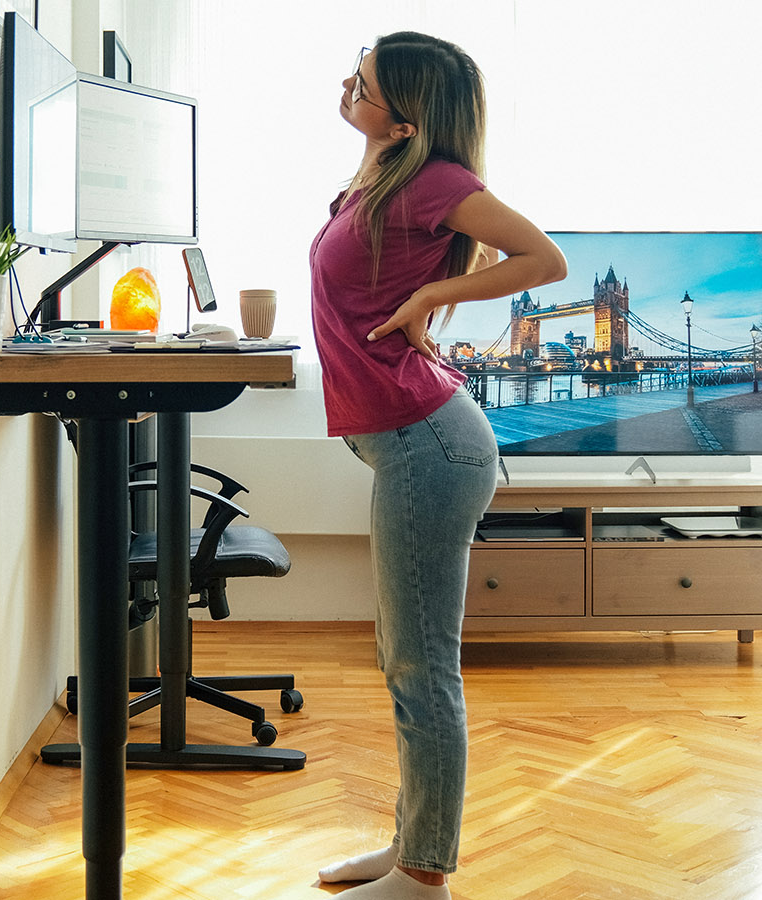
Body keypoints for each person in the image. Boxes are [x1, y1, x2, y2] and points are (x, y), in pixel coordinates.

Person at [309, 30, 567, 900]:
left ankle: (423, 879)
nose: (349, 86)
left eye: (367, 82)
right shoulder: (383, 175)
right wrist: (372, 138)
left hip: (431, 445)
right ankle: (409, 843)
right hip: (408, 441)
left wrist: (433, 295)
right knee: (403, 658)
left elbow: (546, 259)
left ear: (409, 113)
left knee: (423, 665)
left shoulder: (441, 183)